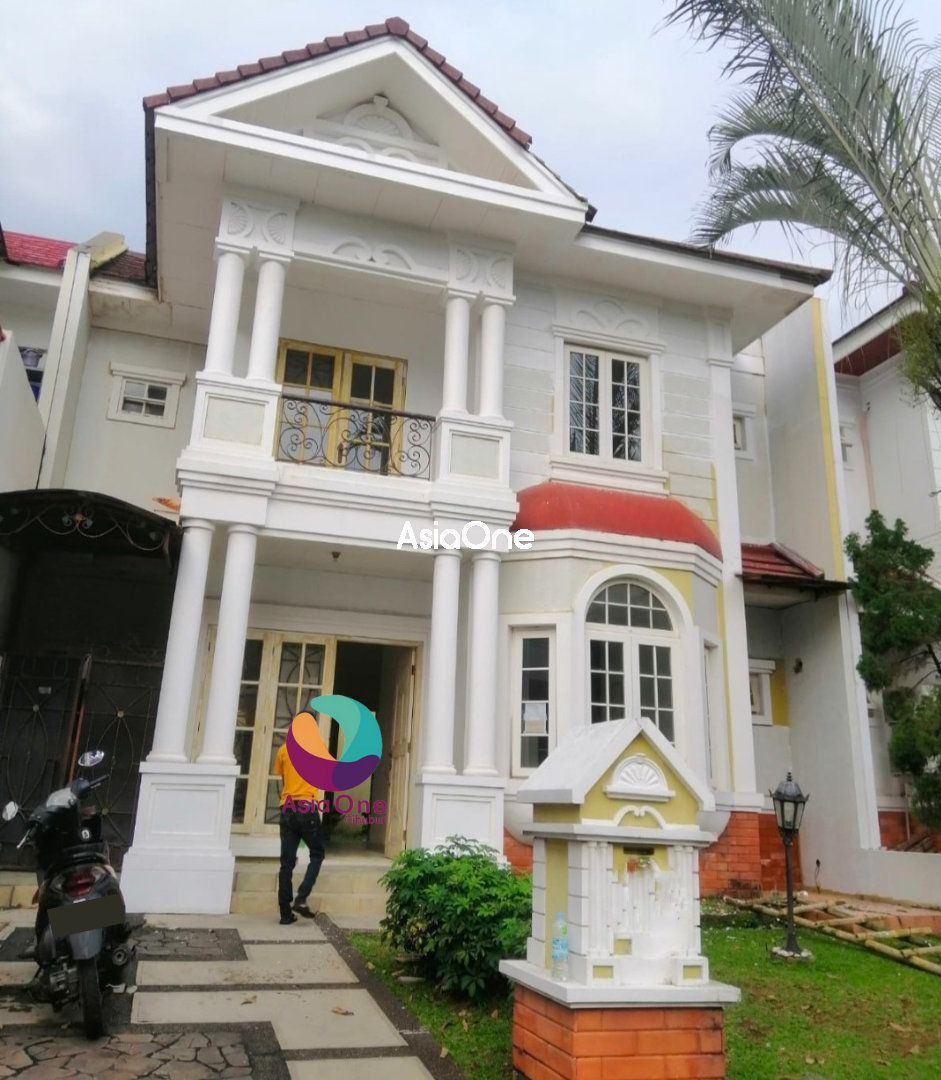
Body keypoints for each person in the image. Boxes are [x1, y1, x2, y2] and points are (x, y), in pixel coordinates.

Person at [274, 731, 326, 925]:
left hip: (287, 808)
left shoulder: (283, 750)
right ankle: (301, 898)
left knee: (286, 863)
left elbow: (284, 781)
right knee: (317, 854)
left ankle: (285, 914)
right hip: (307, 808)